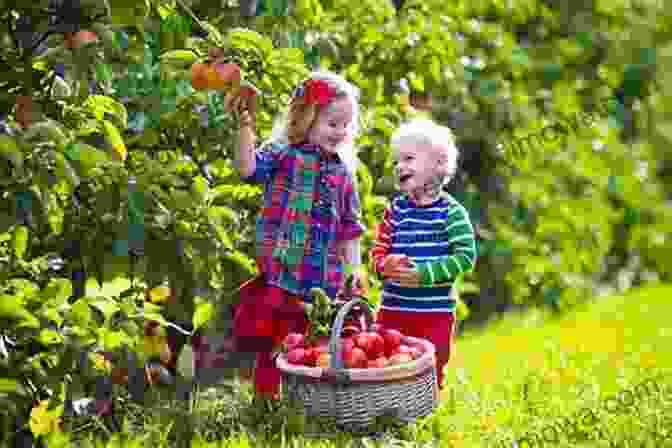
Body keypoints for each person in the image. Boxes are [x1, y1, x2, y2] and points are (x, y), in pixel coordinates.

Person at [224, 71, 365, 401]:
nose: (340, 132)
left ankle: (310, 405)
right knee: (275, 344)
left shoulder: (343, 173)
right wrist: (245, 128)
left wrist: (354, 270)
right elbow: (247, 169)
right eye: (333, 123)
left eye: (346, 125)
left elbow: (350, 230)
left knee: (315, 348)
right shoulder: (283, 155)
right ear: (307, 117)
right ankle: (268, 402)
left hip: (322, 285)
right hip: (282, 276)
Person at [369, 118, 477, 390]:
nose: (399, 167)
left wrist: (425, 274)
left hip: (434, 313)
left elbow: (465, 257)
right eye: (395, 162)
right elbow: (378, 252)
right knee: (387, 363)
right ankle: (390, 411)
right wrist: (385, 265)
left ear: (438, 164)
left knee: (431, 366)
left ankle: (426, 413)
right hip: (393, 310)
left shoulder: (451, 213)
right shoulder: (395, 211)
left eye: (408, 158)